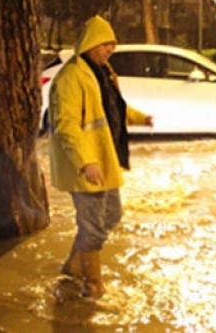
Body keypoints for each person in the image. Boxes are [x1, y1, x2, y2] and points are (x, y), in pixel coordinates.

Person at [48, 15, 152, 300]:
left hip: (105, 161)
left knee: (111, 215)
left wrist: (140, 118)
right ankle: (92, 287)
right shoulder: (71, 77)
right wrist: (85, 162)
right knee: (93, 227)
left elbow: (112, 108)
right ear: (90, 43)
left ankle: (72, 265)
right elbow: (66, 126)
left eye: (112, 44)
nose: (110, 49)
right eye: (105, 43)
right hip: (86, 166)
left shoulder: (104, 71)